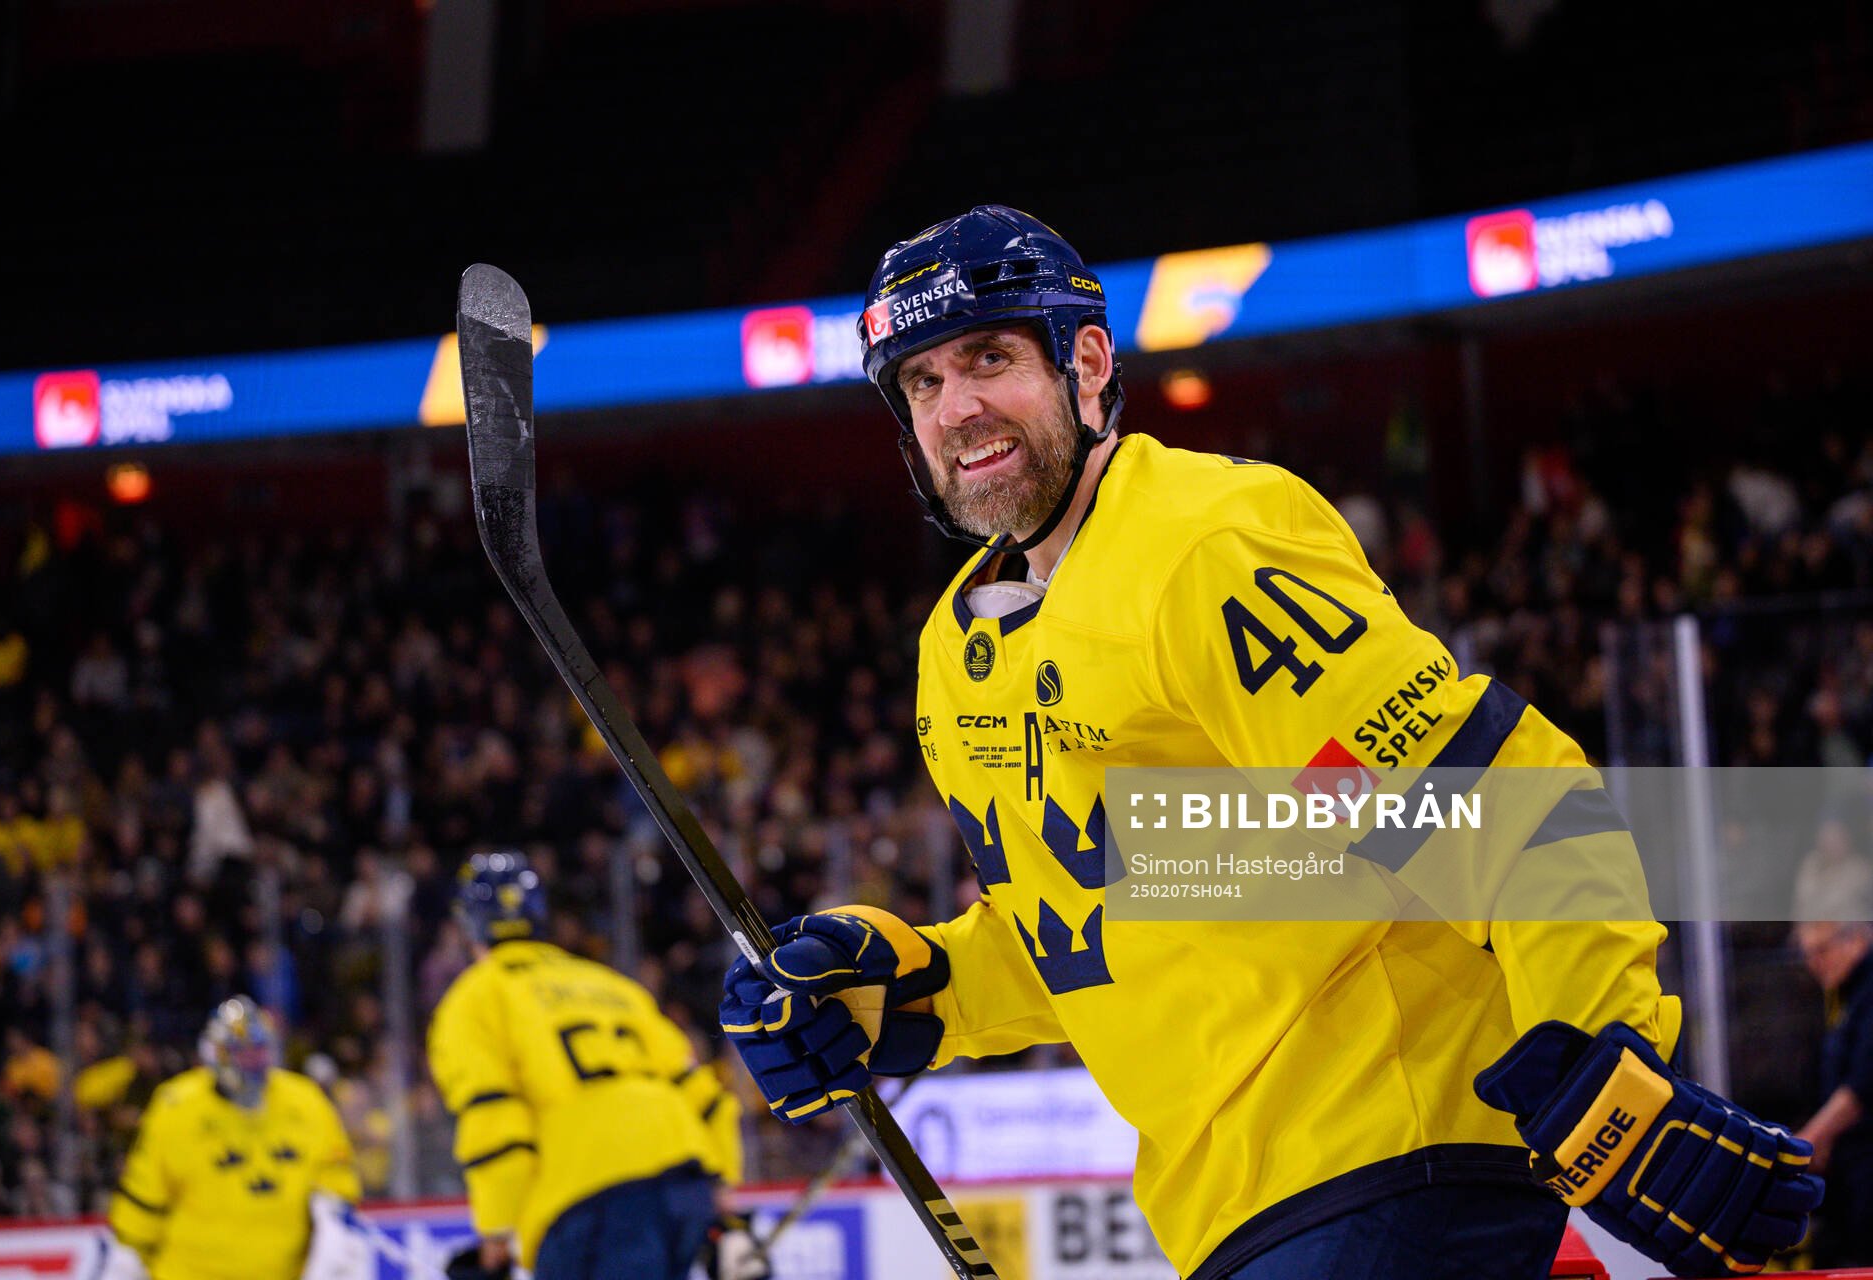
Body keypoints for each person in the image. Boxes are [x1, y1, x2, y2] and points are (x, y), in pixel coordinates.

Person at [720, 206, 1822, 1279]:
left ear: (1089, 361)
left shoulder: (1200, 542)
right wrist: (912, 989)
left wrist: (1605, 1060)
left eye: (991, 357)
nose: (957, 404)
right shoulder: (956, 661)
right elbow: (1125, 915)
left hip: (1397, 1149)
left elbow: (1486, 791)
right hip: (1237, 1209)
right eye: (921, 380)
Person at [427, 851, 761, 1280]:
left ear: (466, 925)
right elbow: (702, 1095)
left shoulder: (472, 1000)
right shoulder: (610, 984)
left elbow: (495, 1117)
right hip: (684, 1181)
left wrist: (495, 1239)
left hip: (588, 1199)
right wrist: (722, 1206)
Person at [103, 996, 366, 1280]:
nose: (252, 1063)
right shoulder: (176, 1107)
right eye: (241, 1052)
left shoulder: (307, 1103)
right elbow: (142, 1207)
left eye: (259, 1050)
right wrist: (124, 1264)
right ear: (215, 1053)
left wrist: (333, 1232)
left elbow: (336, 1196)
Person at [1796, 920, 1873, 1265]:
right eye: (1808, 954)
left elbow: (1863, 1084)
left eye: (1822, 950)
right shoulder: (1845, 997)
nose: (1815, 963)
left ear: (1856, 939)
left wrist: (1810, 1140)